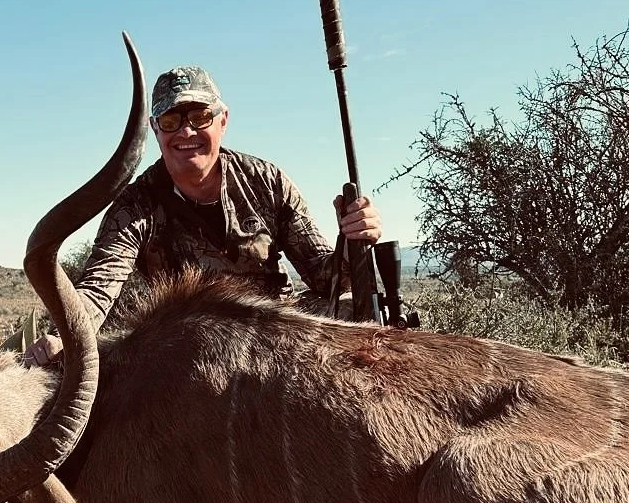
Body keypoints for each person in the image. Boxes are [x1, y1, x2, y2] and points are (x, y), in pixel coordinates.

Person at [24, 65, 384, 366]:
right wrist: (63, 337)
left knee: (356, 315)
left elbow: (326, 278)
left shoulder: (268, 181)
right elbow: (98, 291)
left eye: (199, 116)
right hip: (192, 345)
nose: (186, 131)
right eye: (171, 120)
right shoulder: (134, 205)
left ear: (222, 120)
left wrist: (354, 239)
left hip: (275, 327)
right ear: (155, 129)